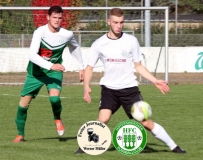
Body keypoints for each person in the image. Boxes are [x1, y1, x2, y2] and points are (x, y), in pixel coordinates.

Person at [75, 8, 185, 154]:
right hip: (109, 89)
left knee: (145, 122)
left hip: (129, 89)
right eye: (115, 22)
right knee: (103, 119)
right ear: (109, 22)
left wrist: (154, 81)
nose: (119, 26)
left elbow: (138, 66)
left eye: (121, 22)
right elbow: (89, 68)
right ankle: (85, 147)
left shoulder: (131, 41)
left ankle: (174, 146)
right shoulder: (99, 43)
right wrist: (86, 86)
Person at [13, 6, 84, 142]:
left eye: (59, 18)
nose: (57, 20)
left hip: (54, 73)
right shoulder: (40, 32)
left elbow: (75, 47)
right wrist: (51, 65)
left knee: (54, 99)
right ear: (48, 17)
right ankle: (20, 135)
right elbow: (32, 55)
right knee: (23, 105)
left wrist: (81, 67)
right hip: (36, 72)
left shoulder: (67, 34)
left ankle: (57, 119)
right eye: (54, 17)